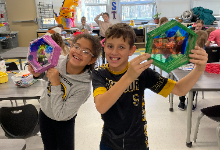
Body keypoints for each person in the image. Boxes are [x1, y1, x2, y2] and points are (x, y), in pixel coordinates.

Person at [92, 23, 208, 150]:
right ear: (104, 46)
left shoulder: (143, 73)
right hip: (109, 142)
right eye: (110, 46)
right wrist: (129, 77)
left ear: (132, 50)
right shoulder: (100, 73)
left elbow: (180, 90)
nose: (114, 52)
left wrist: (199, 68)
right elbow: (101, 106)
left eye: (121, 47)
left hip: (138, 143)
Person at [28, 34, 102, 150]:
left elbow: (60, 115)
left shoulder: (83, 88)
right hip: (45, 114)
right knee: (49, 147)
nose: (78, 52)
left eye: (86, 51)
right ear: (71, 46)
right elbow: (46, 75)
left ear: (91, 60)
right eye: (77, 47)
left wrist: (56, 83)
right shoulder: (57, 61)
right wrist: (37, 73)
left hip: (64, 122)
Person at [178, 30, 208, 111]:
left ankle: (190, 101)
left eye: (198, 46)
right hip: (183, 69)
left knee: (194, 83)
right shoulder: (185, 45)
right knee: (183, 82)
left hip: (195, 70)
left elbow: (203, 63)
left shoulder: (203, 49)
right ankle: (182, 100)